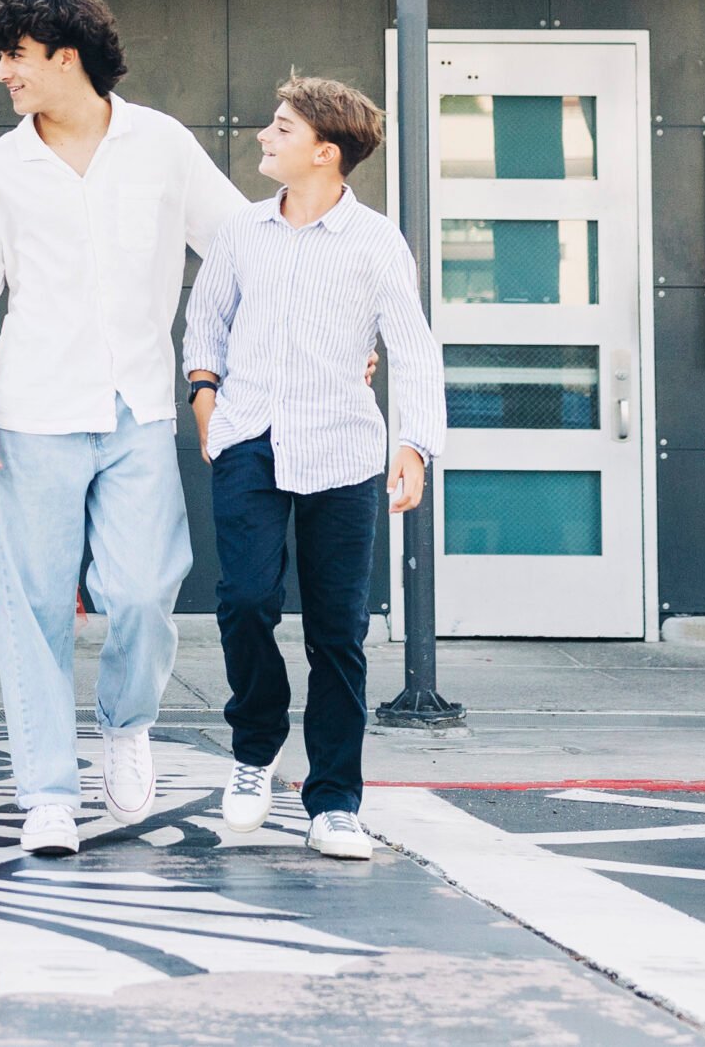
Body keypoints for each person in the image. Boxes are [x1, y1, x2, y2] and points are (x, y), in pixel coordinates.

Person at [0, 0, 243, 857]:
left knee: (146, 591)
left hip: (140, 406)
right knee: (33, 608)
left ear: (63, 53)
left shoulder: (161, 144)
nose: (5, 73)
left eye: (16, 56)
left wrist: (331, 327)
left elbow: (241, 247)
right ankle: (45, 791)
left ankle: (126, 725)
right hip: (33, 411)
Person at [183, 77, 445, 862]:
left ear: (325, 153)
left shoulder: (375, 242)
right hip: (251, 441)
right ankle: (255, 749)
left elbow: (413, 345)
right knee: (246, 600)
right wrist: (208, 409)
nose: (265, 135)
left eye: (282, 127)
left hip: (341, 449)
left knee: (339, 631)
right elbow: (205, 326)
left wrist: (416, 445)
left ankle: (334, 802)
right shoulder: (241, 232)